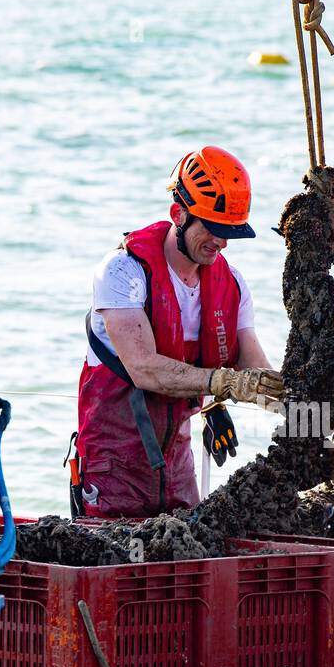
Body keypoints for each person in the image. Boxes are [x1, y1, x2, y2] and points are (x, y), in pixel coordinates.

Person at [75, 146, 284, 517]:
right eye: (213, 228)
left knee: (185, 552)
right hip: (114, 465)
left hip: (177, 465)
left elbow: (254, 370)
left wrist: (307, 407)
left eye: (229, 233)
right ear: (179, 214)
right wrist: (222, 383)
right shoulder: (124, 271)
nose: (220, 242)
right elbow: (144, 369)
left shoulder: (231, 284)